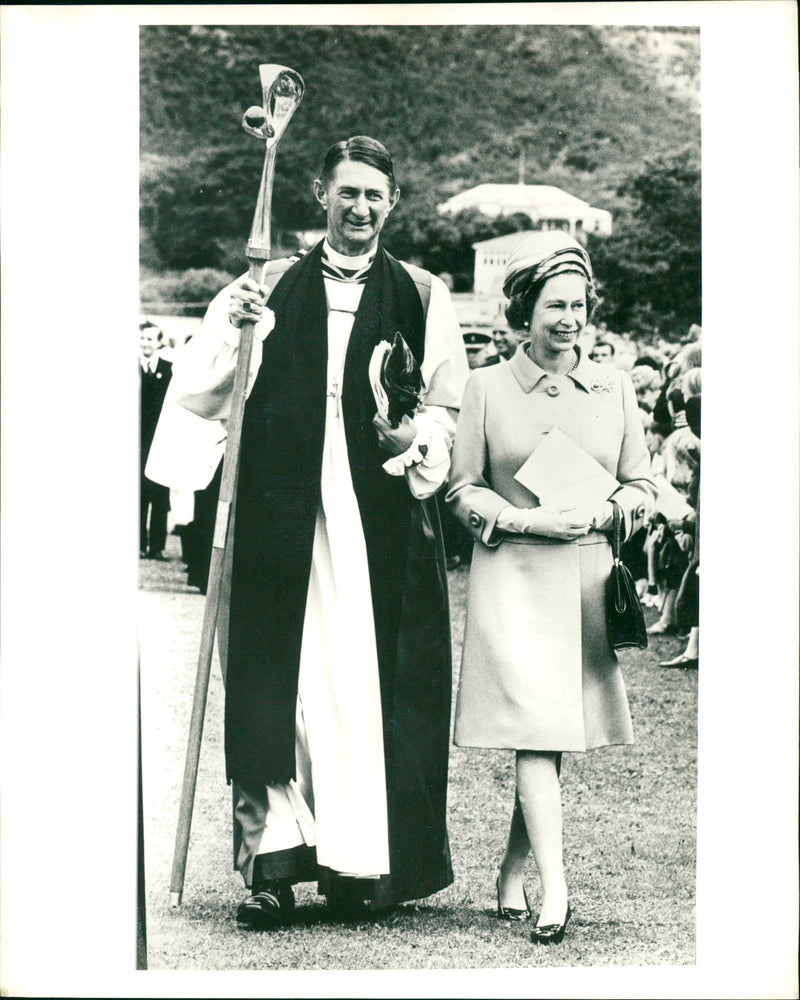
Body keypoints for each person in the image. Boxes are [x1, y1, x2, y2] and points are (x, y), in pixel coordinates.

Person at [147, 136, 469, 927]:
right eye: (346, 191)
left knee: (363, 684)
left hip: (378, 523)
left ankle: (359, 863)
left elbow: (441, 410)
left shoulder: (424, 296)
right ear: (319, 194)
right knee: (276, 687)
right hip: (276, 515)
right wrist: (232, 327)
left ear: (394, 204)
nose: (360, 208)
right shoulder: (263, 288)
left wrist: (416, 443)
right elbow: (197, 394)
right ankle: (272, 864)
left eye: (375, 195)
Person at [445, 231, 654, 945]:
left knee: (549, 734)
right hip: (514, 577)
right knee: (536, 730)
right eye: (554, 304)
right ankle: (556, 890)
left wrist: (605, 511)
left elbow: (643, 484)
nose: (569, 317)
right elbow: (459, 488)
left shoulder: (615, 386)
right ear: (523, 309)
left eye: (579, 304)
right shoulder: (485, 387)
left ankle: (510, 871)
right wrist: (515, 517)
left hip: (587, 577)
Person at [139, 320, 172, 560]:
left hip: (161, 442)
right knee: (137, 494)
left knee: (160, 495)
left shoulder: (170, 370)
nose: (145, 343)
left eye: (150, 339)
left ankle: (157, 547)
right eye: (142, 338)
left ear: (159, 343)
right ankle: (138, 543)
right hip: (136, 443)